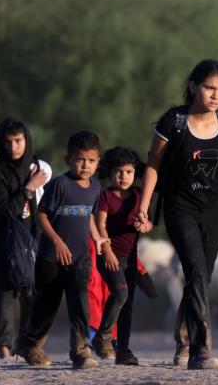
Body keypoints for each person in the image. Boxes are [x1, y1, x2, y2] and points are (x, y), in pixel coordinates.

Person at [137, 59, 218, 370]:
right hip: (179, 206)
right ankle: (202, 349)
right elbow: (153, 166)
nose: (215, 94)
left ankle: (183, 338)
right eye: (209, 87)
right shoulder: (173, 121)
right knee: (197, 272)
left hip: (215, 209)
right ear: (193, 86)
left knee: (201, 276)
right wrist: (143, 208)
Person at [19, 131, 107, 369]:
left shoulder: (95, 188)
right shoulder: (60, 185)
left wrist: (97, 237)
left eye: (91, 160)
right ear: (68, 158)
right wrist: (57, 242)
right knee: (47, 306)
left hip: (80, 259)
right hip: (51, 259)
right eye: (80, 159)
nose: (85, 165)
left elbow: (87, 214)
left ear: (98, 162)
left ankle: (80, 352)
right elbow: (40, 215)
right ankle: (32, 345)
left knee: (80, 304)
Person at [0, 118, 50, 359]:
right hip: (6, 241)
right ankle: (4, 348)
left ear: (27, 141)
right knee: (6, 293)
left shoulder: (37, 168)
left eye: (19, 141)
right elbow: (2, 212)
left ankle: (30, 346)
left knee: (33, 294)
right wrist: (28, 188)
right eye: (9, 142)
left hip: (35, 240)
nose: (14, 147)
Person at [91, 146, 152, 365]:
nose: (123, 176)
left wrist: (144, 226)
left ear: (135, 173)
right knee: (120, 293)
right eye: (118, 171)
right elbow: (100, 224)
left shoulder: (138, 195)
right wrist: (106, 251)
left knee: (128, 304)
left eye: (128, 172)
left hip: (131, 259)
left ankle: (124, 350)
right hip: (108, 254)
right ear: (109, 172)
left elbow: (149, 222)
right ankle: (103, 336)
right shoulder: (105, 195)